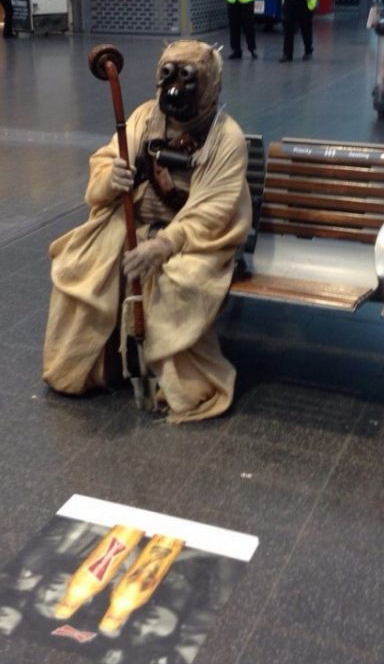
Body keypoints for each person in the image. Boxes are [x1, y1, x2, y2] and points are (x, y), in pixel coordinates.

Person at [43, 40, 252, 423]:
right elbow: (107, 158)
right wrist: (112, 178)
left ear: (209, 86)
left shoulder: (226, 139)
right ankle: (88, 366)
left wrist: (165, 244)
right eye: (168, 77)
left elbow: (214, 209)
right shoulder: (143, 118)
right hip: (135, 221)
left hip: (194, 241)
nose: (174, 89)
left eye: (187, 79)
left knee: (177, 281)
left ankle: (177, 383)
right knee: (83, 264)